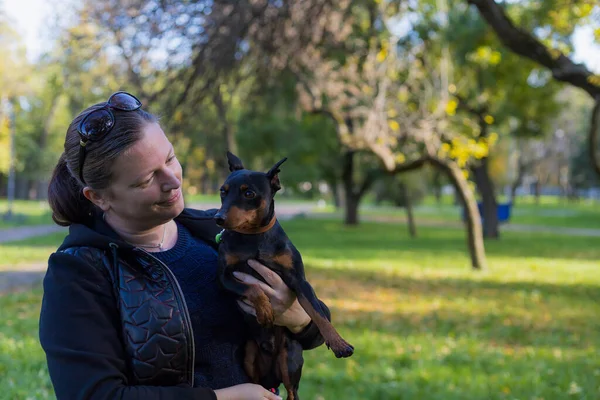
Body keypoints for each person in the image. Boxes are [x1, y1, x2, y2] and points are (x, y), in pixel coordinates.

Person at [40, 91, 330, 400]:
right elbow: (94, 395)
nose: (173, 181)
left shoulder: (217, 234)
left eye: (170, 158)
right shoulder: (78, 273)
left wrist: (297, 317)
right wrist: (221, 398)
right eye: (146, 179)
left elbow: (311, 333)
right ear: (98, 197)